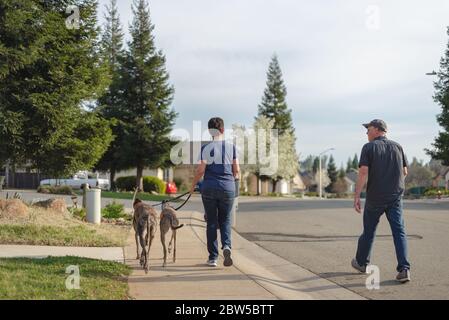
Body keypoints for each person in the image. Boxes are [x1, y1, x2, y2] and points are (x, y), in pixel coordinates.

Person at [352, 119, 411, 283]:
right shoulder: (398, 147)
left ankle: (362, 263)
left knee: (369, 231)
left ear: (378, 130)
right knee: (399, 232)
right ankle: (404, 269)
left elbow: (363, 172)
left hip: (375, 197)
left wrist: (357, 196)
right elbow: (405, 172)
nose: (366, 133)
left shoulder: (369, 147)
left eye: (368, 129)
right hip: (395, 197)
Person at [189, 117, 240, 267]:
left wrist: (192, 186)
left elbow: (200, 171)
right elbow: (236, 171)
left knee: (211, 222)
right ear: (223, 130)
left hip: (209, 188)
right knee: (225, 220)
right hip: (227, 188)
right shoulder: (232, 148)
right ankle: (227, 246)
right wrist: (234, 184)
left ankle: (213, 258)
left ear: (210, 131)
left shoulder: (206, 149)